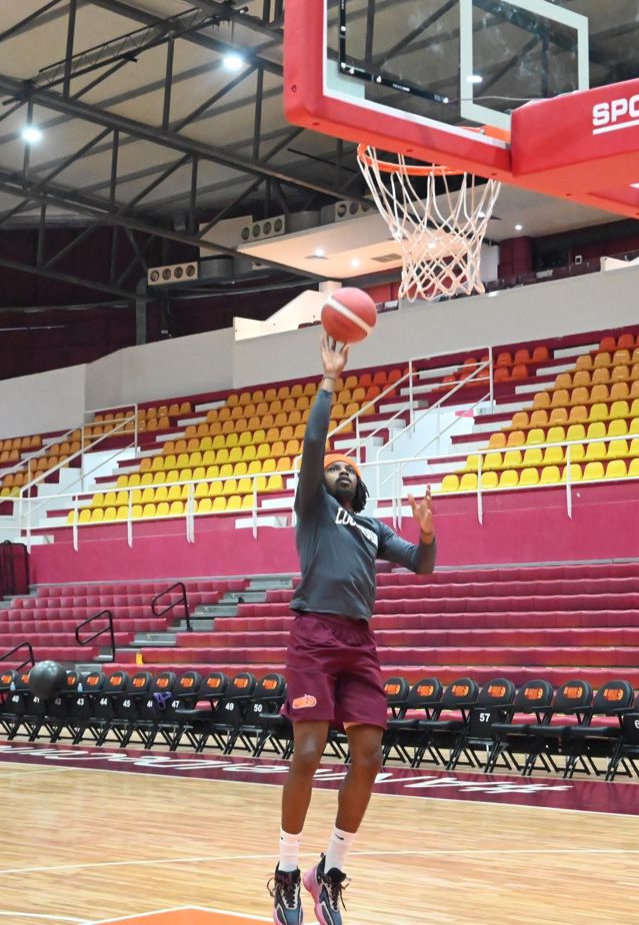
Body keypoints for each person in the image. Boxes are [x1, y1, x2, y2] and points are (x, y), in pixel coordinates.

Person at [270, 331, 438, 925]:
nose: (339, 469)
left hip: (359, 643)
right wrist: (330, 380)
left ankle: (329, 871)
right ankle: (286, 873)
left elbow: (422, 566)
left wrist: (426, 531)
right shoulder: (313, 509)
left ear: (360, 486)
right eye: (333, 467)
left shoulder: (370, 527)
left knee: (368, 753)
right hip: (313, 635)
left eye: (348, 469)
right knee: (310, 750)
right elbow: (315, 443)